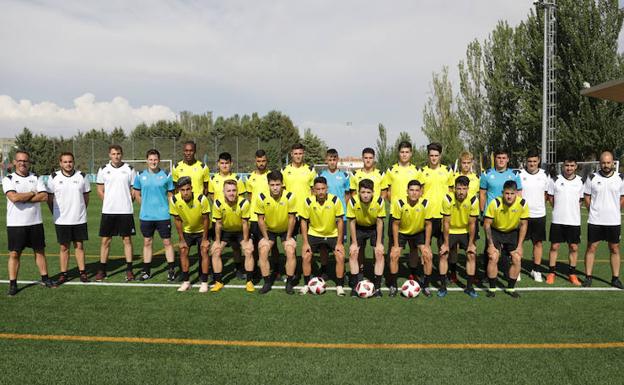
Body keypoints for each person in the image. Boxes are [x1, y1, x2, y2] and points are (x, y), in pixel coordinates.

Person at [3, 150, 56, 296]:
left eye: (25, 160)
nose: (22, 163)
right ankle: (13, 284)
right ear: (14, 162)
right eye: (19, 160)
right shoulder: (8, 179)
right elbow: (13, 198)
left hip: (35, 222)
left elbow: (44, 196)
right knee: (14, 254)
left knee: (39, 251)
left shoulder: (36, 177)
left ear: (29, 162)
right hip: (15, 224)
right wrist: (33, 193)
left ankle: (45, 278)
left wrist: (23, 197)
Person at [46, 152, 91, 284]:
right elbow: (49, 199)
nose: (68, 164)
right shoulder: (53, 177)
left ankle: (82, 273)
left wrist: (80, 210)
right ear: (60, 163)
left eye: (70, 161)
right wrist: (55, 213)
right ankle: (63, 274)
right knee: (64, 247)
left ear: (73, 162)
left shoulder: (82, 176)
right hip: (61, 220)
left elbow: (86, 198)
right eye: (65, 162)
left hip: (79, 218)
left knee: (79, 246)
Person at [582, 151, 624, 289]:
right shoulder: (592, 177)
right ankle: (588, 277)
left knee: (615, 248)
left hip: (613, 221)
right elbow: (587, 196)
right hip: (595, 221)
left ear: (613, 162)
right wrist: (592, 210)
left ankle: (615, 278)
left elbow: (622, 197)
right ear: (600, 163)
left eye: (608, 162)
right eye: (603, 163)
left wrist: (616, 209)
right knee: (591, 247)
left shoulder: (620, 178)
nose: (606, 165)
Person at [479, 149, 522, 281]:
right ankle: (489, 274)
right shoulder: (487, 174)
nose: (501, 160)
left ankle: (511, 271)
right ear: (495, 159)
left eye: (504, 158)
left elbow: (519, 194)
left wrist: (518, 213)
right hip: (492, 216)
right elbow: (482, 194)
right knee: (490, 246)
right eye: (499, 158)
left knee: (509, 248)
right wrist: (482, 212)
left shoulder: (514, 175)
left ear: (508, 159)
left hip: (509, 216)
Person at [95, 145, 137, 282]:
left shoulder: (129, 169)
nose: (116, 156)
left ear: (122, 154)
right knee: (105, 241)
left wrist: (127, 201)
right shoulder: (103, 169)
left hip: (125, 211)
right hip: (109, 211)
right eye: (113, 154)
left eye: (118, 153)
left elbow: (134, 190)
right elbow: (100, 190)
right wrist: (108, 202)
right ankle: (102, 270)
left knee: (127, 240)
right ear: (109, 155)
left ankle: (129, 270)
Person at [132, 149, 176, 281]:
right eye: (151, 159)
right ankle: (146, 271)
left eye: (155, 159)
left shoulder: (166, 175)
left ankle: (171, 270)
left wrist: (168, 208)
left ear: (159, 160)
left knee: (167, 242)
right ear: (147, 161)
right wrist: (144, 205)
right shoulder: (140, 175)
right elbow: (137, 193)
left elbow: (170, 195)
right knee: (147, 242)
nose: (153, 162)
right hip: (146, 216)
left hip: (163, 216)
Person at [299, 176, 346, 296]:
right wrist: (305, 242)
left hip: (332, 234)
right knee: (306, 256)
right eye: (318, 189)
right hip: (314, 233)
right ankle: (306, 284)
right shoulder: (308, 202)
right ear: (314, 190)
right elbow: (303, 221)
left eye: (323, 189)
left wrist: (339, 242)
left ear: (327, 189)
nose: (320, 192)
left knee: (340, 256)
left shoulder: (335, 200)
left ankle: (339, 285)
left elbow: (340, 221)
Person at [382, 141, 422, 280]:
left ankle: (413, 272)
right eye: (402, 152)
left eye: (407, 152)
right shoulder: (391, 170)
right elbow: (386, 191)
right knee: (393, 244)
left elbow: (421, 191)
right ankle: (390, 272)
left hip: (413, 213)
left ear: (411, 153)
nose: (404, 154)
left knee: (413, 246)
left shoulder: (417, 170)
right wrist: (395, 204)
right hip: (396, 213)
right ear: (398, 153)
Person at [483, 180, 528, 298]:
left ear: (516, 194)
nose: (509, 196)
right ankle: (492, 288)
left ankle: (510, 288)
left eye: (512, 194)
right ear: (503, 192)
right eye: (507, 193)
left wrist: (520, 246)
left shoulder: (522, 203)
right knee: (493, 257)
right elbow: (487, 224)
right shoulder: (495, 203)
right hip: (496, 231)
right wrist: (490, 245)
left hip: (512, 232)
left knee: (517, 258)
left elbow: (523, 225)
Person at [388, 180, 434, 297]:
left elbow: (428, 224)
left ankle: (426, 285)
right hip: (402, 232)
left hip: (418, 232)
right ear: (407, 191)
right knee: (394, 254)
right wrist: (397, 245)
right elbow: (395, 224)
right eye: (411, 190)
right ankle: (393, 285)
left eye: (417, 190)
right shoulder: (400, 204)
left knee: (427, 255)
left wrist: (427, 245)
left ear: (420, 192)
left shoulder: (425, 204)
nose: (414, 193)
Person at [255, 171, 297, 294]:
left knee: (290, 250)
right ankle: (267, 282)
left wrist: (288, 237)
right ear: (268, 185)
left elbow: (292, 218)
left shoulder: (290, 196)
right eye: (272, 184)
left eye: (277, 184)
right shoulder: (261, 197)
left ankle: (289, 283)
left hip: (286, 230)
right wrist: (266, 238)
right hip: (270, 230)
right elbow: (260, 220)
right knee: (263, 250)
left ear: (282, 184)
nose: (275, 188)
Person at [208, 151, 248, 279]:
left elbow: (240, 197)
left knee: (236, 246)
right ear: (218, 164)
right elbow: (211, 194)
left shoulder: (237, 179)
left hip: (235, 217)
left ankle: (238, 269)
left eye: (227, 163)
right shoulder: (213, 179)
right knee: (216, 245)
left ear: (231, 164)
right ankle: (215, 271)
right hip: (219, 217)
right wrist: (220, 207)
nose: (224, 165)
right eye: (222, 163)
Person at [210, 180, 254, 293]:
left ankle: (249, 281)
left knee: (248, 250)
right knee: (216, 251)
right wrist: (217, 241)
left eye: (234, 190)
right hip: (226, 231)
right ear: (223, 192)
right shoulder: (218, 203)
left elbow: (245, 223)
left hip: (240, 230)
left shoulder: (244, 203)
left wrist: (245, 241)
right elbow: (218, 224)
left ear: (238, 192)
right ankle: (218, 282)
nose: (231, 193)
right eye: (228, 190)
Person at [546, 156, 584, 286]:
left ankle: (572, 274)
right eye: (567, 165)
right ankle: (551, 272)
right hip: (558, 220)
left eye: (572, 166)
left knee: (573, 247)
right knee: (554, 246)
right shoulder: (555, 180)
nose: (569, 168)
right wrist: (559, 209)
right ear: (563, 166)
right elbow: (550, 198)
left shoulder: (580, 181)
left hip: (574, 221)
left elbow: (580, 200)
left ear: (576, 166)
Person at [439, 176, 479, 298]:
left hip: (465, 230)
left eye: (464, 188)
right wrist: (446, 244)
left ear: (468, 189)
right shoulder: (447, 198)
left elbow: (472, 224)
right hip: (450, 230)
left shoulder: (473, 200)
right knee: (444, 254)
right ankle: (442, 287)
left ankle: (469, 287)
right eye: (458, 188)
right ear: (454, 188)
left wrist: (471, 243)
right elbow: (445, 222)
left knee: (471, 254)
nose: (461, 192)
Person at [169, 177, 211, 292]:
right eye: (183, 190)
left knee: (204, 250)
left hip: (202, 230)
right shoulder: (174, 200)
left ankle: (204, 282)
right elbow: (177, 220)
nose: (186, 192)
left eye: (188, 189)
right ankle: (186, 282)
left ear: (192, 188)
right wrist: (181, 239)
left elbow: (206, 219)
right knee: (183, 250)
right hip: (187, 231)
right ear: (178, 190)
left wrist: (205, 239)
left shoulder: (201, 199)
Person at [347, 179, 386, 298]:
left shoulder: (379, 201)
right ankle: (354, 287)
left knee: (379, 253)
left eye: (368, 192)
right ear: (358, 192)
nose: (365, 195)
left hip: (374, 227)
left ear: (373, 192)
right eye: (363, 192)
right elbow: (352, 223)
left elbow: (380, 222)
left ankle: (378, 287)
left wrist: (379, 243)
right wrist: (354, 243)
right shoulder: (353, 201)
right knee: (354, 253)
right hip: (358, 227)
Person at [447, 150, 480, 283]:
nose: (466, 165)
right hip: (456, 217)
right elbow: (450, 195)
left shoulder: (476, 178)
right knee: (453, 248)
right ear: (460, 163)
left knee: (471, 247)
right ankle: (453, 273)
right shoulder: (453, 176)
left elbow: (478, 196)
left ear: (471, 163)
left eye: (468, 163)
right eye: (463, 163)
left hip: (471, 217)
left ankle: (472, 275)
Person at [318, 148, 350, 276]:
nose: (332, 162)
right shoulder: (321, 176)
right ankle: (324, 269)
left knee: (340, 244)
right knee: (324, 246)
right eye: (329, 160)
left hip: (341, 216)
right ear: (326, 160)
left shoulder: (344, 176)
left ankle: (341, 270)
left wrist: (342, 208)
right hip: (324, 216)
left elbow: (347, 195)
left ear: (338, 160)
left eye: (334, 159)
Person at [519, 152, 549, 282]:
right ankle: (517, 269)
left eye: (534, 161)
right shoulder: (519, 174)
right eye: (529, 161)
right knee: (519, 243)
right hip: (523, 215)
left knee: (538, 243)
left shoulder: (544, 175)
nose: (532, 163)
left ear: (538, 161)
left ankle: (536, 270)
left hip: (539, 215)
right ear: (526, 161)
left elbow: (547, 194)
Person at [282, 143, 316, 235]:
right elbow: (282, 192)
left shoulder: (310, 170)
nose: (298, 156)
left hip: (306, 211)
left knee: (308, 243)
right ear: (291, 154)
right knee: (290, 243)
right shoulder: (284, 170)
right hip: (289, 211)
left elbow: (314, 192)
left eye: (300, 153)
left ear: (303, 154)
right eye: (296, 154)